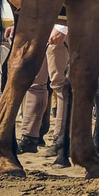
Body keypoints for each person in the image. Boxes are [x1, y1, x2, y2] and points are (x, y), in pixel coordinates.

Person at [17, 24, 69, 158]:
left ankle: (60, 138)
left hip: (59, 30)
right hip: (40, 31)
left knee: (60, 85)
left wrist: (62, 27)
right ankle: (29, 137)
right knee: (35, 83)